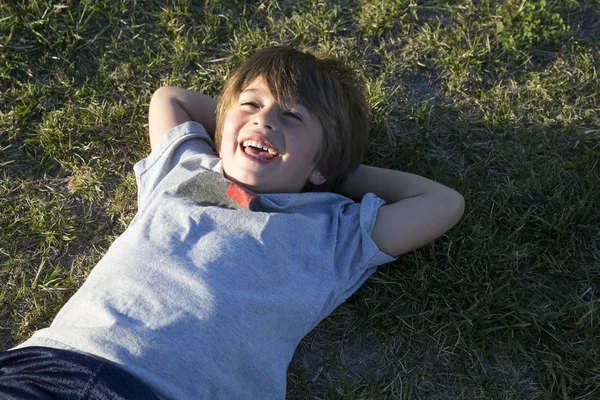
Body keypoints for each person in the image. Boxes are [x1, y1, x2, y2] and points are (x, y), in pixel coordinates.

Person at [0, 46, 464, 399]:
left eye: (291, 116)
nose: (263, 121)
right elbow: (170, 98)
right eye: (251, 104)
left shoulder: (334, 232)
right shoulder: (185, 170)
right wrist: (234, 130)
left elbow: (442, 202)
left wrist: (331, 172)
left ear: (322, 163)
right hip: (51, 367)